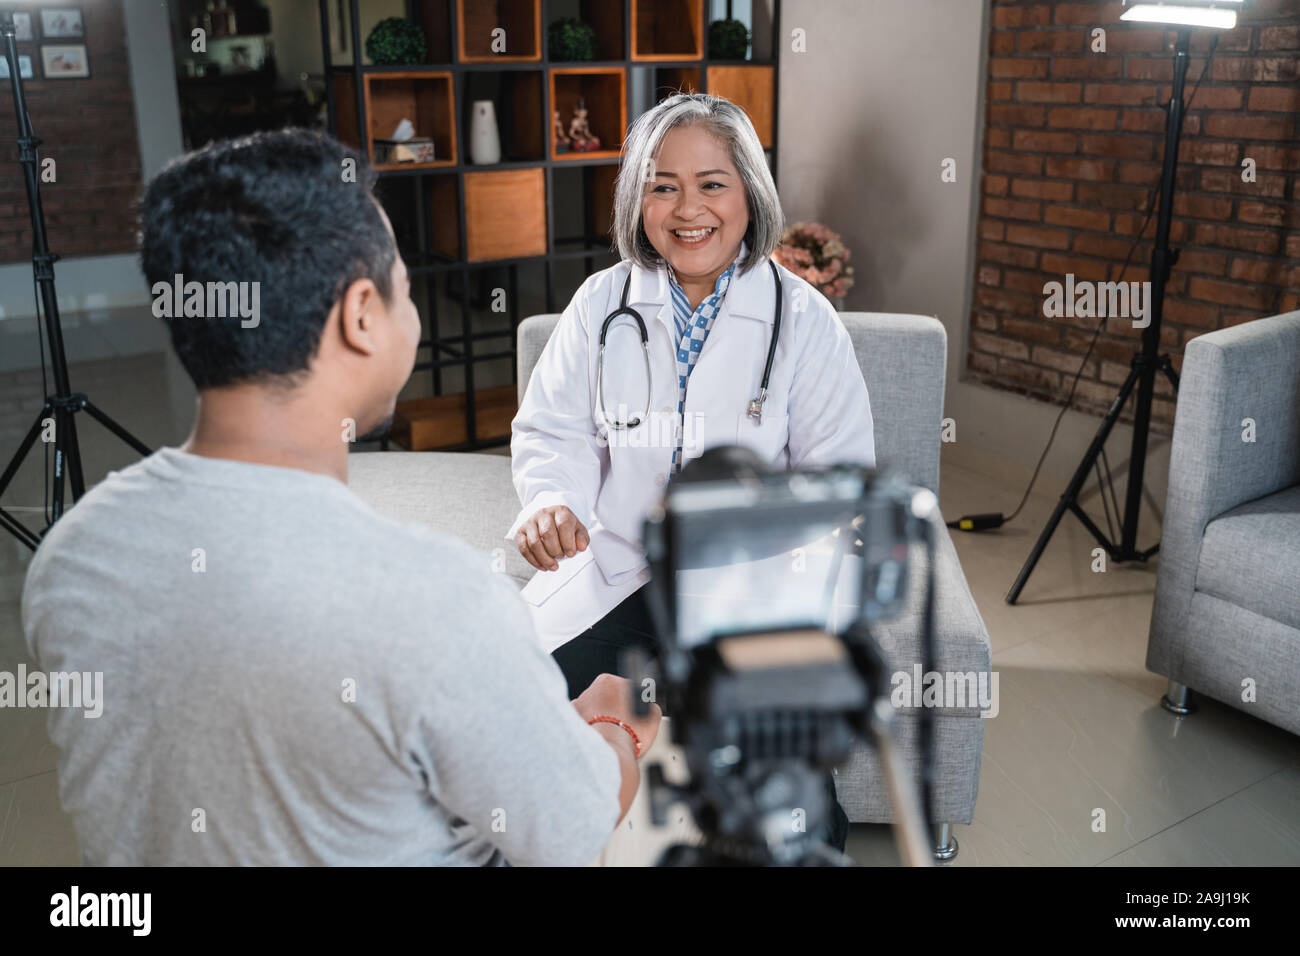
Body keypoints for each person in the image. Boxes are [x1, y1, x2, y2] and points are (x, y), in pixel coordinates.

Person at [22, 129, 660, 866]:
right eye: (405, 287)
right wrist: (615, 727)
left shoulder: (70, 557)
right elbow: (570, 832)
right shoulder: (437, 598)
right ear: (362, 316)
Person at [506, 93, 875, 850]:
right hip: (616, 577)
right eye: (662, 184)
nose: (686, 209)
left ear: (749, 193)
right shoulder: (601, 303)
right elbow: (554, 429)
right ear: (638, 197)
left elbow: (838, 478)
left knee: (794, 801)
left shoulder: (804, 322)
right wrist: (551, 500)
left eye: (712, 183)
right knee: (517, 736)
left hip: (747, 597)